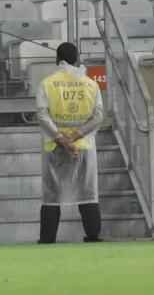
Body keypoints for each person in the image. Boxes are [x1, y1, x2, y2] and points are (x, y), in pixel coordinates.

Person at [36, 42, 104, 244]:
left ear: (58, 60)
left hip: (54, 146)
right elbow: (99, 116)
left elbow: (42, 115)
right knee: (88, 191)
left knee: (51, 192)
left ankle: (47, 238)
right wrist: (75, 136)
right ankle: (93, 235)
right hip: (83, 145)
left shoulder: (47, 83)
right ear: (77, 59)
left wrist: (62, 139)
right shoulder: (91, 84)